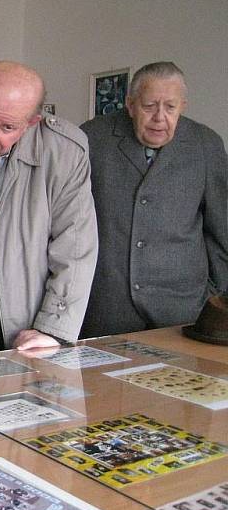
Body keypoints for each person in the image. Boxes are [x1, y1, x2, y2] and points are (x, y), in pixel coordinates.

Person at [0, 62, 98, 356]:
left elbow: (75, 248)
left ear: (32, 122)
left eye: (7, 128)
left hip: (19, 319)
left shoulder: (64, 153)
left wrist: (52, 329)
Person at [80, 62, 228, 336]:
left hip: (183, 311)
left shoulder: (206, 145)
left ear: (182, 106)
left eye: (170, 107)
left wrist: (214, 295)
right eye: (149, 106)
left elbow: (222, 232)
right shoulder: (91, 138)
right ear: (130, 104)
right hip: (106, 310)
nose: (160, 117)